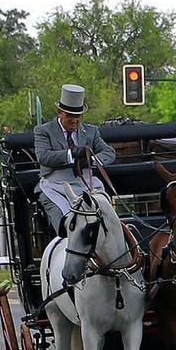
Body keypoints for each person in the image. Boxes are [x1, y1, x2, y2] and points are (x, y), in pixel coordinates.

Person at [32, 84, 116, 287]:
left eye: (78, 116)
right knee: (66, 217)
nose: (74, 121)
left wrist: (91, 160)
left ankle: (109, 240)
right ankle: (67, 250)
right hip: (55, 182)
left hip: (84, 180)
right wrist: (71, 155)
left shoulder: (91, 132)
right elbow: (43, 156)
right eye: (70, 116)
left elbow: (109, 153)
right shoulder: (44, 131)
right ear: (60, 112)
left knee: (102, 204)